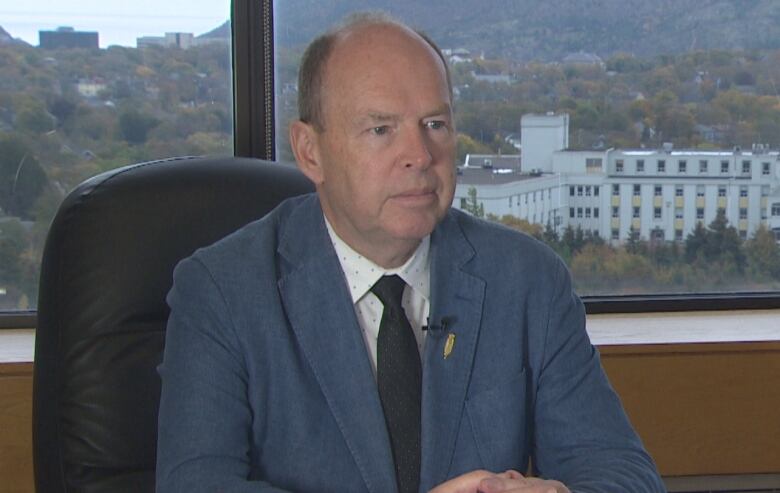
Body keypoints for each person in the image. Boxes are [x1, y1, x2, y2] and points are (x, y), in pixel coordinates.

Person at [156, 12, 665, 493]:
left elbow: (623, 472)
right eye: (381, 129)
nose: (420, 156)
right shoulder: (222, 291)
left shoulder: (527, 279)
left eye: (435, 125)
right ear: (311, 151)